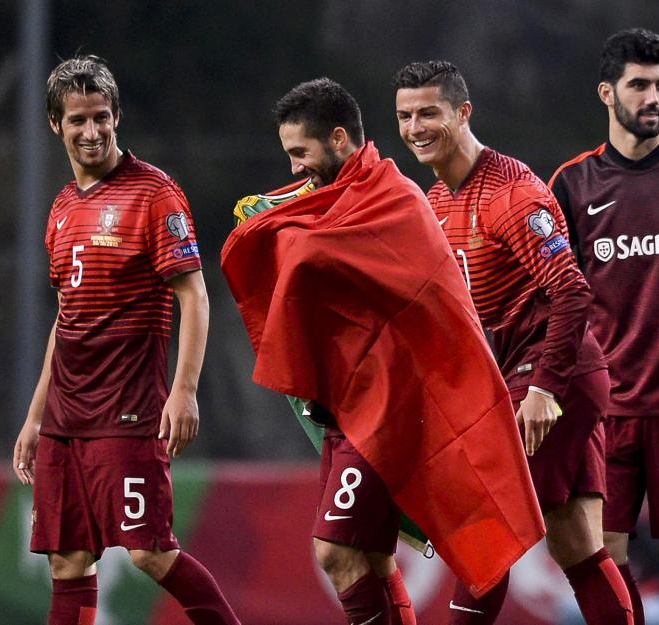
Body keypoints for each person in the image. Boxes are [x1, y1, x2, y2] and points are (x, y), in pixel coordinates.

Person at [222, 77, 545, 625]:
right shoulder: (328, 201)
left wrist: (281, 231)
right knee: (370, 554)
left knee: (336, 551)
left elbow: (310, 256)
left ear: (340, 138)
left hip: (393, 411)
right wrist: (273, 221)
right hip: (350, 409)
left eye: (301, 153)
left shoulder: (394, 197)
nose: (295, 168)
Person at [394, 61, 633, 625]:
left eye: (429, 113)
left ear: (463, 113)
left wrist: (545, 390)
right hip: (527, 381)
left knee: (487, 535)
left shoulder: (512, 193)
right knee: (575, 542)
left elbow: (573, 291)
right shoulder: (435, 201)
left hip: (554, 378)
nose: (415, 127)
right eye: (404, 116)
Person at [11, 55, 239, 625]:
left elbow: (194, 296)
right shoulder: (62, 208)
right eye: (78, 120)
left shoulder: (154, 194)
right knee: (68, 561)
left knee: (150, 552)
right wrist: (36, 417)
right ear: (54, 125)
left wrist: (183, 391)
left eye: (102, 117)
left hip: (129, 412)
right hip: (66, 418)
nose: (91, 132)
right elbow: (65, 321)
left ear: (118, 116)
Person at [548, 29, 659, 625]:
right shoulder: (572, 185)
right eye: (639, 85)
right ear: (607, 92)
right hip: (608, 408)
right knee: (609, 552)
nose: (653, 97)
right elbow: (555, 296)